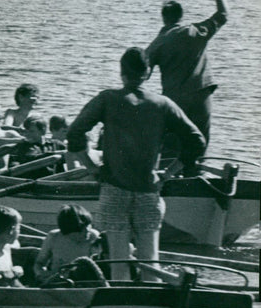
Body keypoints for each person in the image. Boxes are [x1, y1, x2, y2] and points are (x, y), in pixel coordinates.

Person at [65, 47, 206, 281]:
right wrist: (169, 173)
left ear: (122, 73)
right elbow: (196, 141)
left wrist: (91, 167)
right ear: (148, 73)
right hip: (149, 190)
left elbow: (75, 133)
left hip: (114, 187)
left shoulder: (108, 99)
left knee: (119, 263)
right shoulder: (163, 104)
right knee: (150, 263)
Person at [145, 0, 228, 176]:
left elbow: (142, 73)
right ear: (181, 16)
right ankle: (195, 186)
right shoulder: (195, 31)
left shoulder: (158, 43)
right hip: (201, 99)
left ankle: (168, 187)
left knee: (171, 151)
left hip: (175, 103)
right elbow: (223, 14)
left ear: (164, 17)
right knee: (198, 148)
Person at [33, 204, 101, 285]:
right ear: (67, 232)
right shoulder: (54, 237)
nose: (87, 231)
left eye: (88, 225)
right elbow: (39, 264)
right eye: (81, 229)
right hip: (58, 283)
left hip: (84, 284)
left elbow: (97, 268)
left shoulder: (94, 237)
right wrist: (44, 276)